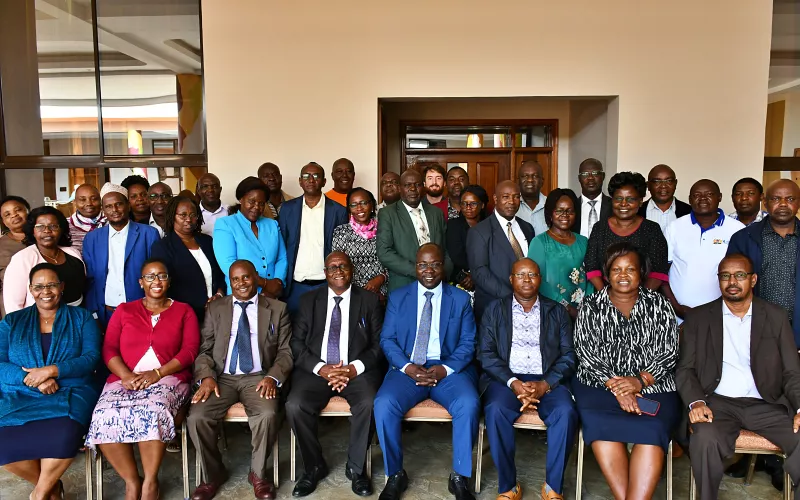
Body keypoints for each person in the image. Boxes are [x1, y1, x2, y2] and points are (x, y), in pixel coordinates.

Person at [675, 254, 800, 500]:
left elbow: (792, 372)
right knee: (704, 438)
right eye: (725, 276)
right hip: (717, 404)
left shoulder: (775, 316)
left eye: (740, 275)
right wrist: (696, 402)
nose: (732, 281)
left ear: (753, 280)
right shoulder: (699, 318)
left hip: (768, 404)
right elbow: (685, 369)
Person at [85, 259, 200, 500]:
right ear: (141, 282)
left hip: (168, 378)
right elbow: (109, 348)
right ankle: (131, 481)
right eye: (150, 276)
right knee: (103, 416)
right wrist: (126, 376)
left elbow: (190, 351)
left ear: (169, 281)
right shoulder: (124, 311)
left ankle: (150, 481)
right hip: (124, 379)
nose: (156, 281)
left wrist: (157, 373)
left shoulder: (184, 310)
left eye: (161, 276)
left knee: (151, 411)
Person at [573, 242, 680, 500]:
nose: (623, 275)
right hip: (599, 387)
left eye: (630, 269)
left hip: (654, 387)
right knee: (601, 425)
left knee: (652, 429)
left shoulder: (659, 305)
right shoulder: (591, 305)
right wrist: (619, 387)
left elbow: (670, 351)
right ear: (607, 273)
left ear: (641, 272)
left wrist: (639, 381)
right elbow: (585, 352)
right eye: (616, 269)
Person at [374, 243, 479, 500]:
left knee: (468, 403)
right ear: (415, 267)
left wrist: (445, 369)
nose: (428, 270)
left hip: (448, 369)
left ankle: (459, 476)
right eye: (423, 265)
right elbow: (387, 339)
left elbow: (468, 342)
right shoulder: (399, 297)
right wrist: (408, 367)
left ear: (443, 267)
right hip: (408, 369)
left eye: (434, 265)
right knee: (384, 404)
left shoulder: (460, 299)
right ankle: (395, 474)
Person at [188, 259, 293, 500]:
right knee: (197, 417)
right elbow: (204, 350)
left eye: (246, 277)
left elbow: (286, 352)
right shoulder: (216, 308)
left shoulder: (277, 309)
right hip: (221, 378)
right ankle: (213, 475)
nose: (241, 283)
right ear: (229, 281)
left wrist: (272, 377)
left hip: (258, 377)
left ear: (256, 277)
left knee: (267, 414)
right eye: (235, 279)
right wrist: (206, 377)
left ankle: (258, 475)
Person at [286, 252, 384, 497]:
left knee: (370, 402)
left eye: (343, 266)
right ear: (325, 273)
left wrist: (353, 369)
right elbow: (296, 343)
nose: (338, 271)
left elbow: (379, 345)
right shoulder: (309, 300)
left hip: (356, 370)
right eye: (332, 267)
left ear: (352, 269)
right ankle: (314, 466)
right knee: (295, 405)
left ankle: (356, 468)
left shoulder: (369, 301)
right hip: (317, 371)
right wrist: (322, 368)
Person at [479, 258, 578, 500]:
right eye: (520, 275)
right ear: (511, 279)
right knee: (495, 410)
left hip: (548, 379)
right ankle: (508, 487)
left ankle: (553, 488)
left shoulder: (557, 312)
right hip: (506, 379)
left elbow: (569, 355)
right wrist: (513, 383)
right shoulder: (494, 310)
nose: (526, 279)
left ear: (540, 279)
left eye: (532, 275)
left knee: (565, 413)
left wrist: (545, 384)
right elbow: (485, 353)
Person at [0, 263, 101, 500]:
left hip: (71, 392)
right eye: (39, 286)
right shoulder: (12, 322)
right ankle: (51, 489)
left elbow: (91, 358)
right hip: (21, 395)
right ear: (31, 289)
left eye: (52, 285)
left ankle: (39, 495)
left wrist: (52, 371)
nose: (46, 291)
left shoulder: (82, 318)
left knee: (64, 435)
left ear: (62, 287)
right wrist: (32, 379)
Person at [727, 178, 800, 347]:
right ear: (765, 202)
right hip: (755, 329)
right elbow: (732, 285)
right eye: (776, 199)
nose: (783, 204)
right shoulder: (743, 238)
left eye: (790, 199)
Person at [662, 180, 744, 319]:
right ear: (690, 199)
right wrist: (676, 308)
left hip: (722, 315)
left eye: (709, 194)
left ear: (719, 197)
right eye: (697, 195)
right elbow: (661, 273)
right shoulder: (674, 227)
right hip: (678, 315)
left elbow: (743, 276)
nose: (703, 199)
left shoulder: (737, 229)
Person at [83, 183, 161, 328]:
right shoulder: (92, 238)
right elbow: (91, 280)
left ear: (128, 206)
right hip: (105, 312)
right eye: (108, 206)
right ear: (103, 210)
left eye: (119, 204)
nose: (114, 210)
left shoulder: (148, 234)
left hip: (141, 311)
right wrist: (93, 313)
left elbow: (156, 275)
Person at [279, 163, 348, 312]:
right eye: (306, 176)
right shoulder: (287, 208)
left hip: (326, 284)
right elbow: (282, 245)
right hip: (295, 286)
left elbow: (342, 251)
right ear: (300, 181)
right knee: (295, 326)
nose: (311, 179)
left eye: (316, 176)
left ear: (324, 181)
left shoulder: (338, 211)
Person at [583, 171, 669, 292]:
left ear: (640, 201)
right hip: (605, 296)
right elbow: (592, 267)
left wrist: (639, 298)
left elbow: (658, 271)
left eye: (630, 199)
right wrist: (607, 296)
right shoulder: (599, 228)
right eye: (619, 198)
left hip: (644, 297)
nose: (623, 204)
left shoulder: (652, 229)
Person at [466, 180, 535, 320]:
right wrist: (514, 298)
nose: (511, 201)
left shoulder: (527, 228)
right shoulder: (479, 231)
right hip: (494, 308)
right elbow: (480, 273)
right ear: (495, 199)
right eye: (506, 197)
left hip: (528, 308)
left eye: (516, 197)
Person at [151, 196, 226, 323]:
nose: (188, 219)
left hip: (216, 311)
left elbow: (220, 273)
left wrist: (219, 294)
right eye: (183, 215)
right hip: (184, 315)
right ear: (172, 216)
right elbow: (165, 285)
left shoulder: (207, 241)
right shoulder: (162, 247)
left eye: (193, 215)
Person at [213, 176, 288, 300]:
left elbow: (282, 258)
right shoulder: (225, 225)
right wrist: (264, 283)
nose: (257, 207)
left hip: (272, 295)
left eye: (261, 203)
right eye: (251, 201)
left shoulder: (272, 224)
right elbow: (228, 263)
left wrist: (277, 282)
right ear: (241, 199)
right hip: (241, 295)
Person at [377, 169, 451, 292]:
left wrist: (443, 272)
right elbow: (384, 252)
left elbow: (446, 248)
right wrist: (420, 271)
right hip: (404, 284)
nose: (413, 189)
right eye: (407, 185)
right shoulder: (388, 213)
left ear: (423, 187)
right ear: (400, 188)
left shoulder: (436, 213)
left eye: (417, 185)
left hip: (438, 283)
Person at [4, 207, 85, 314]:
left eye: (53, 226)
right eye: (40, 226)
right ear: (32, 231)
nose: (47, 230)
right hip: (39, 320)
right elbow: (13, 304)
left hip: (78, 316)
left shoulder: (73, 253)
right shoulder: (22, 259)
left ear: (61, 230)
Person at [528, 188, 593, 319]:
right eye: (559, 210)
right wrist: (567, 307)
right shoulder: (539, 242)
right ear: (550, 214)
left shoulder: (583, 241)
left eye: (570, 211)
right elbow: (537, 280)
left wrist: (587, 305)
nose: (565, 215)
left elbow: (591, 275)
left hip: (583, 313)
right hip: (552, 311)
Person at [331, 187, 388, 299]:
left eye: (364, 203)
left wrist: (381, 279)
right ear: (349, 209)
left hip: (382, 292)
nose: (359, 208)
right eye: (354, 205)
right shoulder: (341, 232)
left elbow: (392, 259)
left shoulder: (384, 229)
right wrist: (365, 289)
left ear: (372, 205)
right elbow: (339, 266)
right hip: (353, 294)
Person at [446, 185, 488, 293]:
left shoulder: (491, 225)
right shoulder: (453, 225)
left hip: (487, 276)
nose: (468, 207)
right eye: (464, 203)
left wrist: (476, 275)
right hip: (461, 279)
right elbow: (454, 257)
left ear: (482, 205)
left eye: (473, 203)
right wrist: (468, 276)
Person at [636, 164, 691, 233]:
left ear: (675, 184)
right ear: (648, 185)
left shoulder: (689, 212)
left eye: (669, 181)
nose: (663, 186)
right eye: (657, 181)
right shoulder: (636, 212)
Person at [0, 196, 29, 318]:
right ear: (3, 221)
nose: (14, 215)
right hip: (11, 305)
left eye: (18, 210)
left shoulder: (44, 238)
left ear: (28, 211)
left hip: (46, 299)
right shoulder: (1, 245)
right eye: (7, 214)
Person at [575, 158, 612, 238]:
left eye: (595, 173)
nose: (590, 178)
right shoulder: (573, 206)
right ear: (579, 178)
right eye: (585, 174)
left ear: (603, 176)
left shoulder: (613, 206)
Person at [67, 183, 106, 254]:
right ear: (75, 202)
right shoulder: (65, 225)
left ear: (101, 201)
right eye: (82, 199)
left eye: (94, 199)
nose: (89, 203)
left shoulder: (111, 222)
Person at [515, 160, 548, 235]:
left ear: (542, 181)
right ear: (518, 181)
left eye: (535, 176)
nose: (530, 180)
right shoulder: (510, 206)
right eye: (525, 176)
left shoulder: (552, 205)